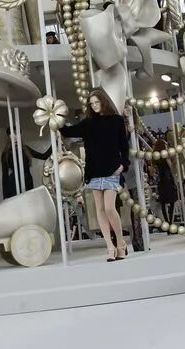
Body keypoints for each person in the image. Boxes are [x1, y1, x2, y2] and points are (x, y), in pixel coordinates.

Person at [60, 88, 131, 261]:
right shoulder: (88, 123)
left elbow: (124, 147)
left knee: (109, 208)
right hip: (94, 171)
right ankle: (110, 247)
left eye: (97, 102)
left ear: (104, 101)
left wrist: (123, 165)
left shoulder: (116, 120)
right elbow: (68, 131)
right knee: (99, 209)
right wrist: (55, 119)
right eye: (91, 104)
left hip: (112, 170)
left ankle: (120, 242)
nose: (94, 106)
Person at [0, 128, 52, 199]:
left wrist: (55, 142)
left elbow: (43, 156)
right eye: (12, 134)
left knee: (28, 201)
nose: (15, 136)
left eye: (17, 134)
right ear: (9, 136)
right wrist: (5, 196)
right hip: (14, 184)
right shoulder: (6, 153)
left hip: (27, 181)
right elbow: (5, 175)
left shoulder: (25, 149)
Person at [152, 139, 178, 224]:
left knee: (163, 202)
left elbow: (153, 171)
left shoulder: (155, 157)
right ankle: (170, 221)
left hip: (161, 180)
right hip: (168, 179)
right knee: (172, 201)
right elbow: (171, 168)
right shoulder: (165, 157)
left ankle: (167, 221)